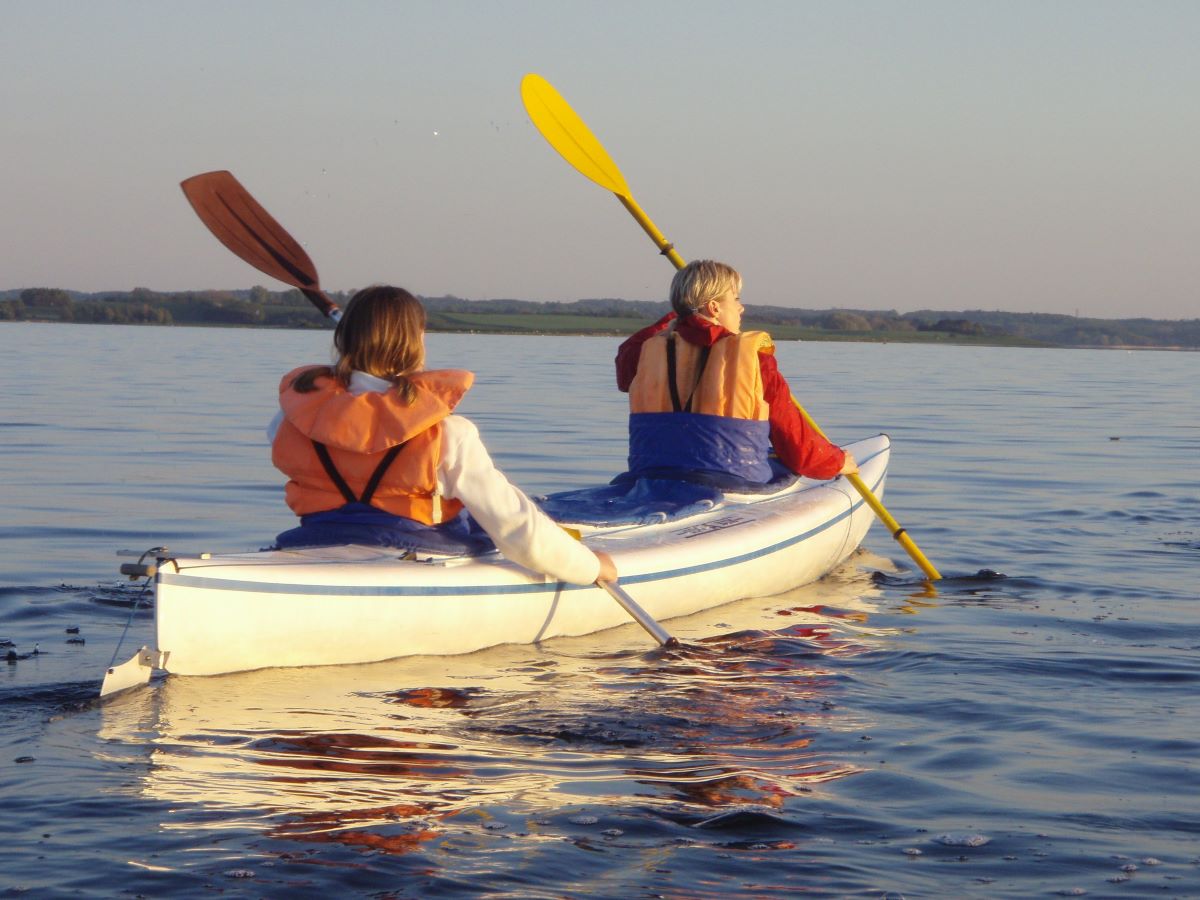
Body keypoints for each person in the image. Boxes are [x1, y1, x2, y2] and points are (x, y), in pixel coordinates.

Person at [269, 285, 617, 586]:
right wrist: (590, 567)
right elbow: (515, 529)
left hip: (309, 545)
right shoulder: (450, 434)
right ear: (416, 343)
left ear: (343, 340)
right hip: (415, 557)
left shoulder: (289, 421)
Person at [615, 259, 857, 486]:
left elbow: (626, 361)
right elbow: (798, 449)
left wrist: (682, 314)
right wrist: (836, 462)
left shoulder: (644, 353)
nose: (741, 308)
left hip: (652, 476)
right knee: (785, 464)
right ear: (714, 307)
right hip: (733, 482)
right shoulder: (755, 358)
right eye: (736, 298)